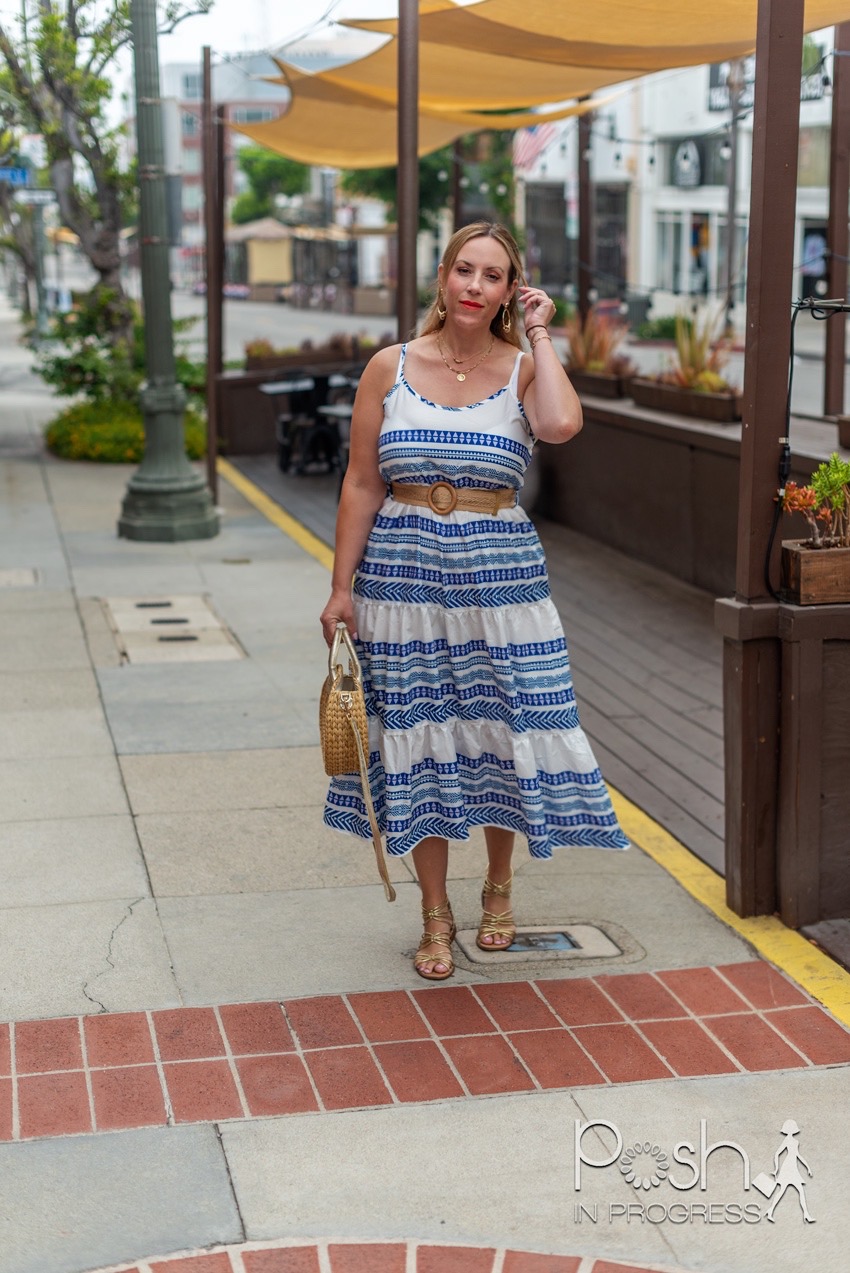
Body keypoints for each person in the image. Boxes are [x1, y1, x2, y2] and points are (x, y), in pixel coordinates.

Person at [320, 221, 628, 981]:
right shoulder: (389, 366)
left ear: (509, 290)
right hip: (402, 574)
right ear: (443, 276)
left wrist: (542, 334)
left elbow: (559, 425)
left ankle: (498, 886)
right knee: (420, 736)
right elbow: (362, 479)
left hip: (502, 579)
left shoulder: (525, 368)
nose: (474, 286)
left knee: (497, 732)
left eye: (494, 276)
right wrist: (339, 586)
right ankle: (434, 911)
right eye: (465, 269)